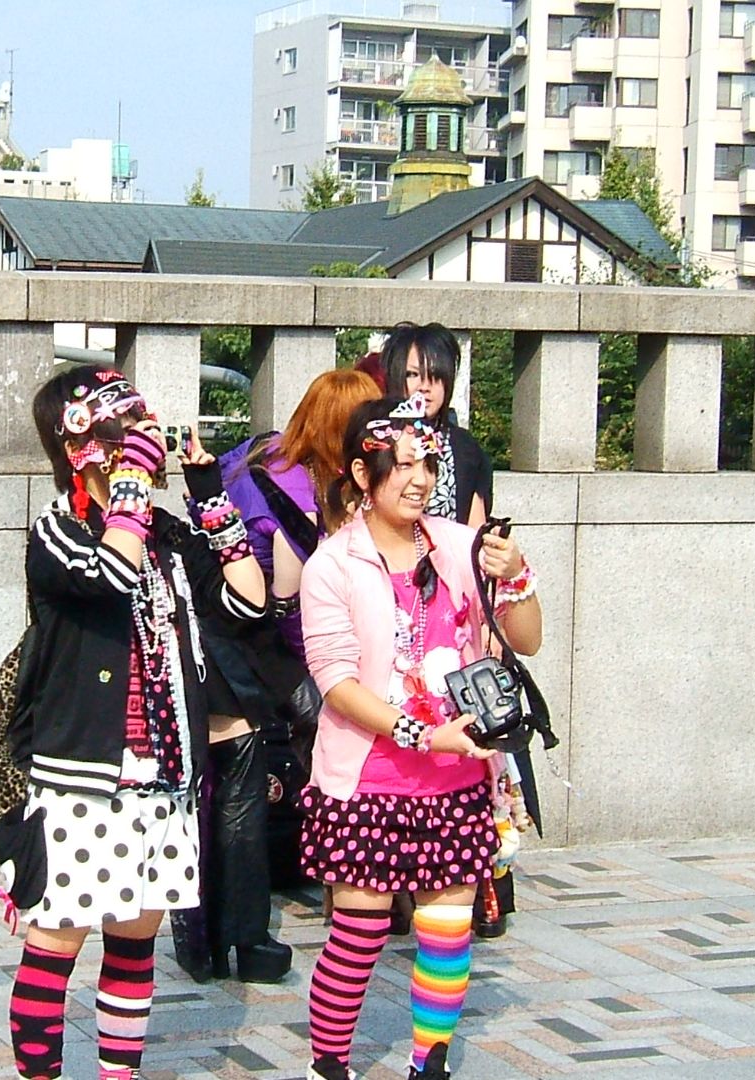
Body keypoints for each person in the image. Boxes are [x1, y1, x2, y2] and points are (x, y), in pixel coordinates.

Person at [2, 363, 266, 1080]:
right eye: (127, 430)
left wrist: (209, 497)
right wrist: (128, 494)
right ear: (81, 445)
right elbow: (108, 576)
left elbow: (247, 604)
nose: (142, 442)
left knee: (133, 942)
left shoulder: (165, 536)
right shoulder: (55, 532)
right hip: (83, 775)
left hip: (165, 773)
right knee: (56, 942)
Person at [298, 397, 540, 1080]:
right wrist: (425, 734)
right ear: (360, 472)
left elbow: (528, 640)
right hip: (367, 780)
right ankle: (330, 1065)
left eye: (427, 462)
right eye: (402, 464)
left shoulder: (462, 547)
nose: (420, 478)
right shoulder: (332, 566)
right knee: (358, 936)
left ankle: (427, 1065)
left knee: (446, 935)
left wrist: (514, 575)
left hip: (457, 779)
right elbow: (337, 684)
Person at [169, 370, 382, 985]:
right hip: (242, 643)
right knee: (272, 766)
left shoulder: (265, 449)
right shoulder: (293, 487)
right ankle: (320, 894)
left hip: (210, 634)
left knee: (219, 793)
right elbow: (287, 607)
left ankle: (212, 941)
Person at [379, 321, 527, 939]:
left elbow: (481, 538)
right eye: (411, 375)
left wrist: (491, 625)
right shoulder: (375, 445)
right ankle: (387, 893)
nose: (423, 387)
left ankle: (477, 892)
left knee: (475, 749)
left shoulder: (466, 453)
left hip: (456, 620)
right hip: (390, 620)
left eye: (433, 375)